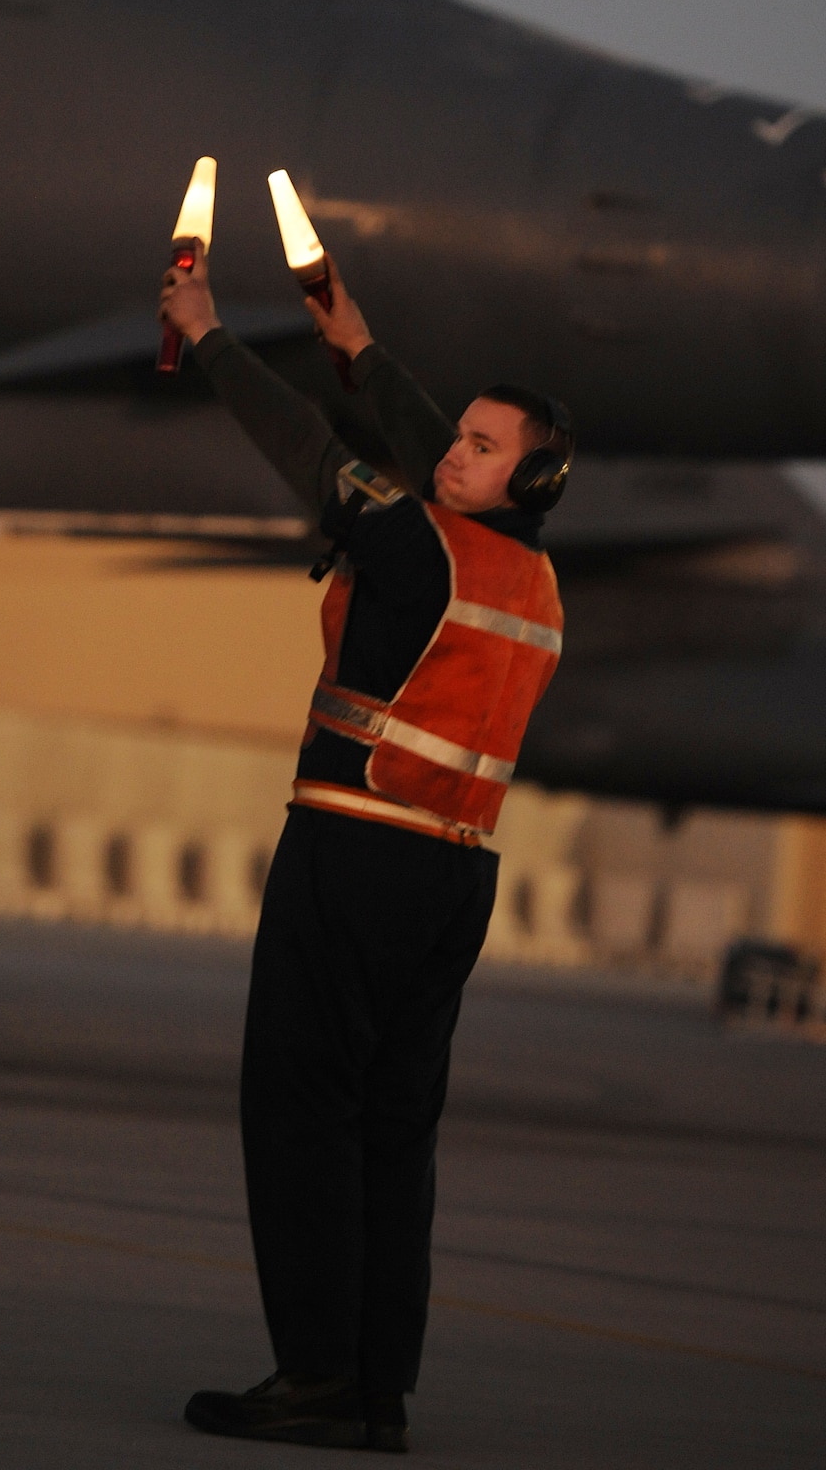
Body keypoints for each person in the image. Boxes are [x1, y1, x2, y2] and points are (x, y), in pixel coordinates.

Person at [158, 244, 570, 1455]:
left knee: (300, 1108)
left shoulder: (416, 547)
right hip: (454, 876)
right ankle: (376, 1386)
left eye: (482, 445)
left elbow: (304, 448)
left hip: (354, 855)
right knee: (394, 1131)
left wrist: (207, 333)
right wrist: (356, 345)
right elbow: (439, 464)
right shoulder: (530, 575)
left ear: (525, 472)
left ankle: (314, 1375)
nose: (454, 451)